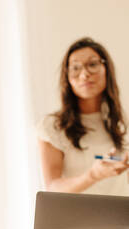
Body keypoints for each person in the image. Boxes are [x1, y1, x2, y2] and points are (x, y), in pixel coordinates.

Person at [37, 37, 129, 195]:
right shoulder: (52, 126)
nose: (85, 74)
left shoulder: (121, 122)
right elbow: (52, 188)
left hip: (119, 217)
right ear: (67, 76)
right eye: (75, 68)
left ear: (106, 70)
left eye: (92, 64)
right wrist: (93, 175)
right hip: (76, 218)